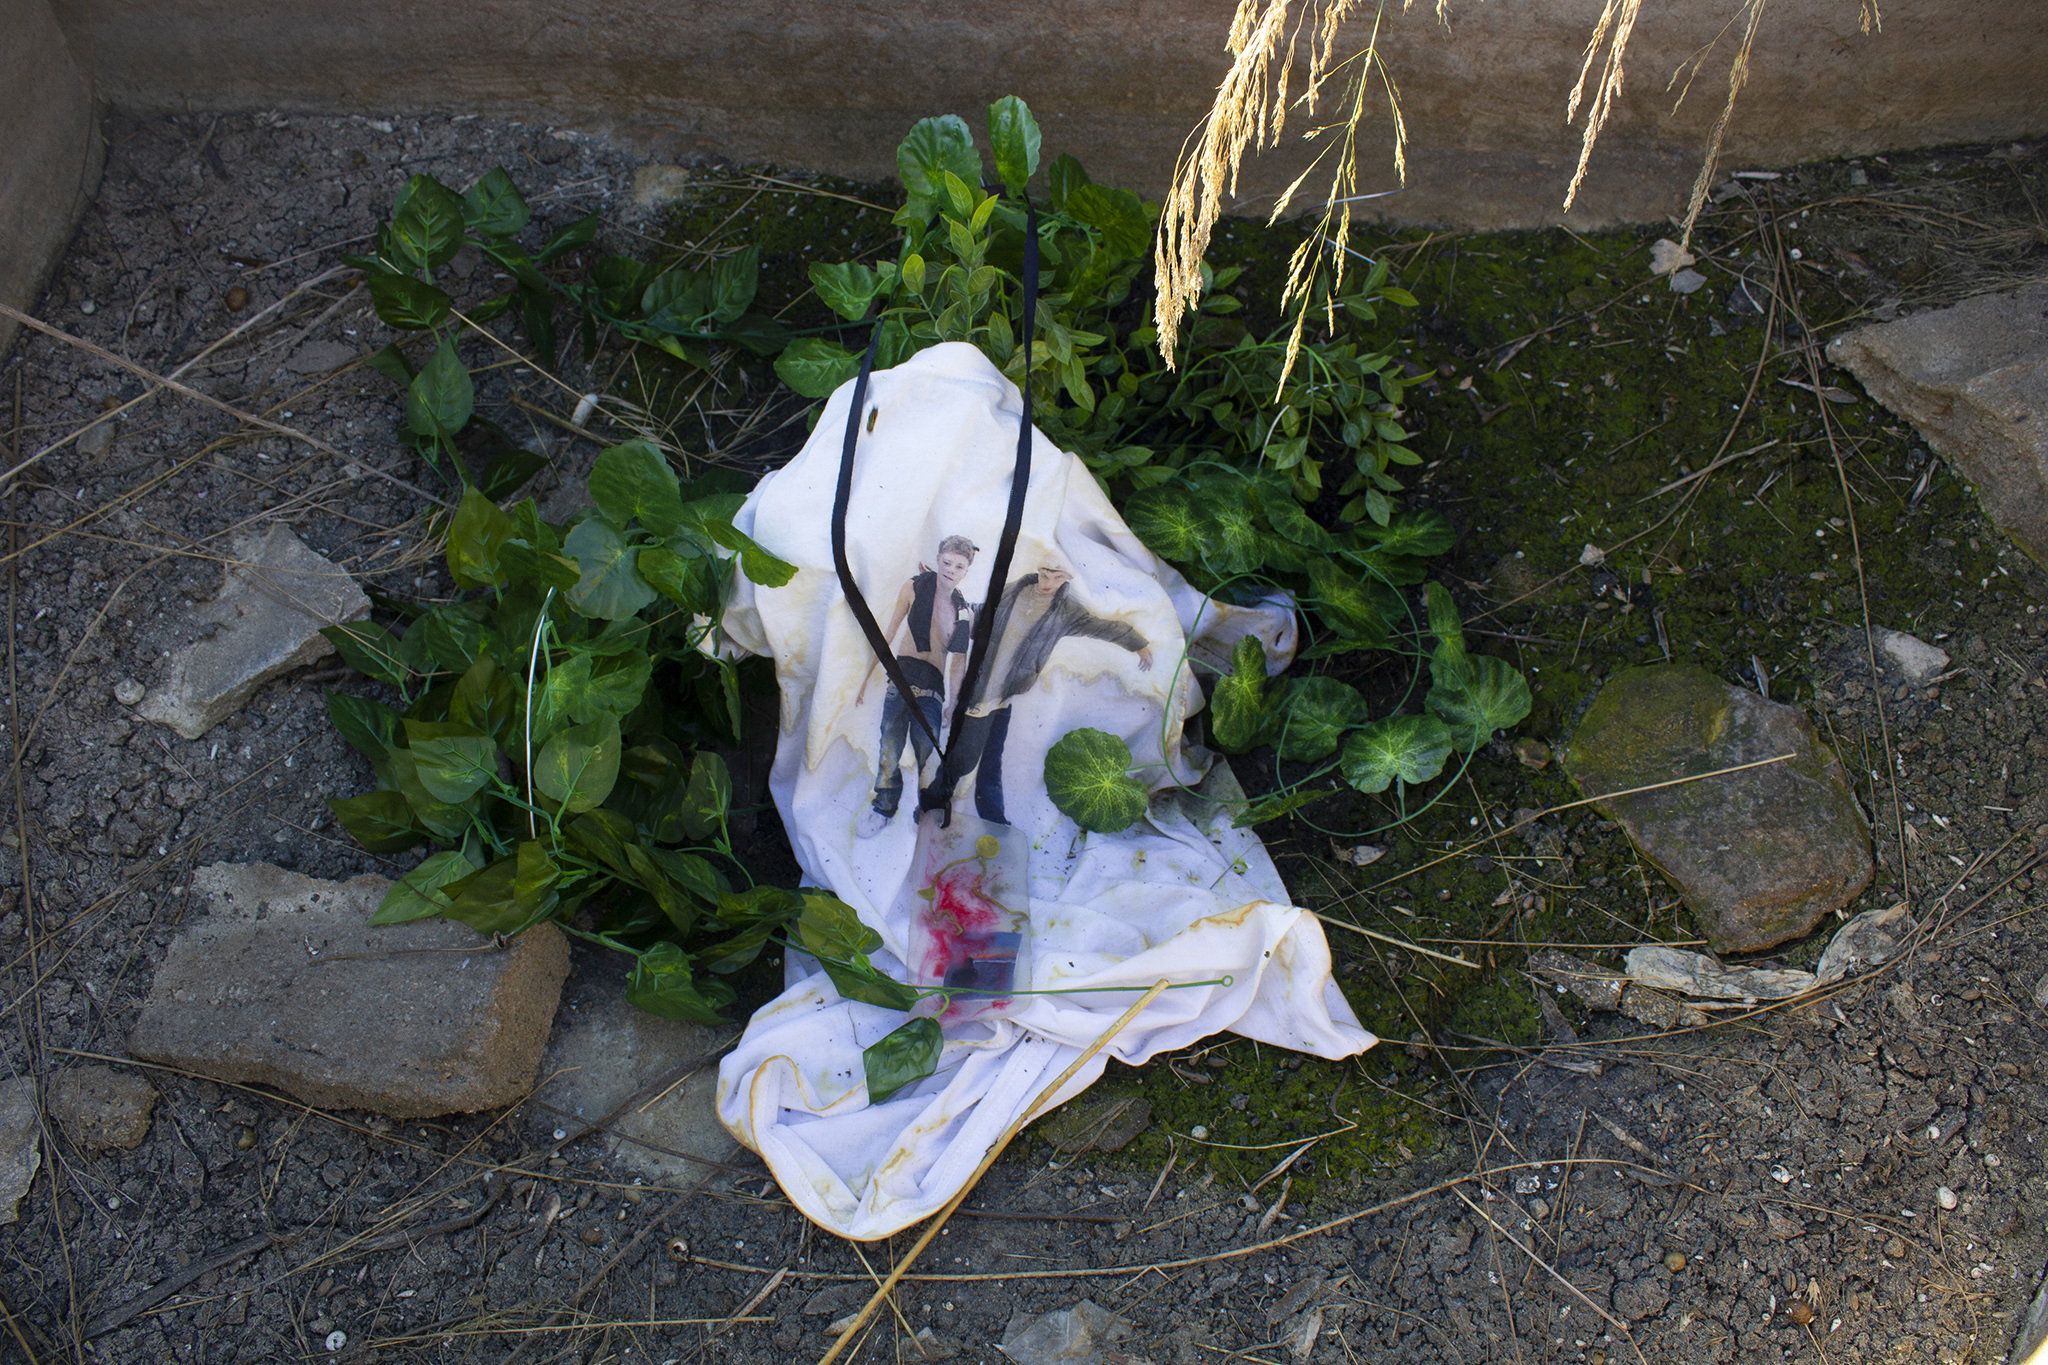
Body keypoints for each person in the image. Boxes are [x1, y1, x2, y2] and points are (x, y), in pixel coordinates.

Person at [924, 558, 1152, 826]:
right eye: (1044, 574)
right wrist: (943, 592)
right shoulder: (1012, 591)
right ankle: (933, 800)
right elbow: (979, 613)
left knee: (992, 761)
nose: (1047, 582)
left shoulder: (1065, 611)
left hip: (1007, 694)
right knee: (964, 758)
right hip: (982, 691)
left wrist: (1137, 643)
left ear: (1066, 579)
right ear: (1038, 571)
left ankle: (993, 816)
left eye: (1056, 577)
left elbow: (1099, 626)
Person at [855, 535, 978, 838]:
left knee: (928, 753)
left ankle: (922, 807)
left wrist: (954, 703)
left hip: (934, 689)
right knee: (889, 748)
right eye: (947, 562)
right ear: (938, 559)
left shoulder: (963, 612)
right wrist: (863, 680)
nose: (951, 569)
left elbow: (959, 663)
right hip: (902, 677)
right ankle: (884, 806)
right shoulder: (914, 586)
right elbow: (888, 633)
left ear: (966, 571)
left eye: (959, 566)